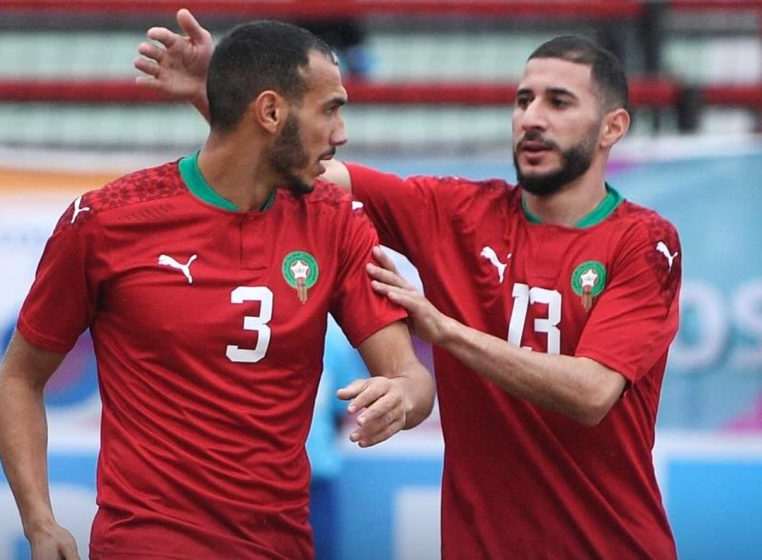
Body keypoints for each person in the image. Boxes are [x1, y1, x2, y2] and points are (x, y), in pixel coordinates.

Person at [136, 11, 682, 559]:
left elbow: (591, 394)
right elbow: (301, 170)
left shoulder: (644, 242)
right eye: (523, 101)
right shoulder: (459, 212)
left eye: (558, 103)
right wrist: (226, 96)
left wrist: (445, 331)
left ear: (612, 126)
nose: (531, 119)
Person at [0, 19, 435, 560]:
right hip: (146, 546)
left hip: (282, 546)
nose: (341, 133)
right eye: (330, 108)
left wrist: (404, 398)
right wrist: (39, 521)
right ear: (271, 112)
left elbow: (410, 376)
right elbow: (19, 378)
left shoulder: (335, 222)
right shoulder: (106, 222)